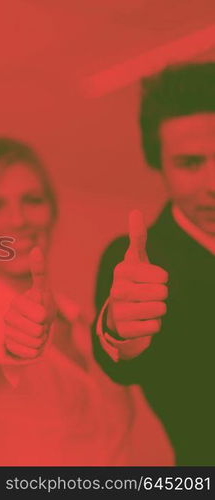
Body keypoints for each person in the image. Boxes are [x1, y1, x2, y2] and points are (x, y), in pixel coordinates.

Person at [0, 137, 172, 465]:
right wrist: (15, 334)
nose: (18, 220)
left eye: (32, 200)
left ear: (52, 210)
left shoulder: (85, 326)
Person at [93, 62, 215, 465]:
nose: (212, 183)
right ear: (158, 165)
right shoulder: (141, 261)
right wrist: (120, 331)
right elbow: (122, 359)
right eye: (190, 164)